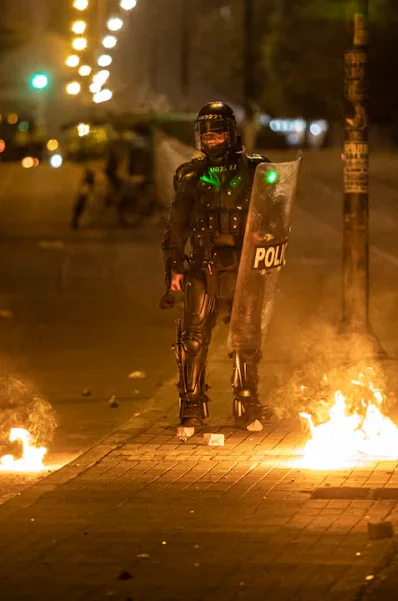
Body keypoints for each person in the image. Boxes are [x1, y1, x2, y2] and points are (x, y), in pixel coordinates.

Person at [162, 101, 270, 428]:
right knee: (193, 339)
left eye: (218, 132)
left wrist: (268, 250)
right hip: (202, 265)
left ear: (231, 133)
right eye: (206, 134)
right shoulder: (190, 175)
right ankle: (191, 407)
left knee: (246, 337)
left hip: (245, 263)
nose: (212, 139)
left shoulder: (257, 170)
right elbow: (177, 225)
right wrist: (174, 267)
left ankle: (246, 403)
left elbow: (276, 211)